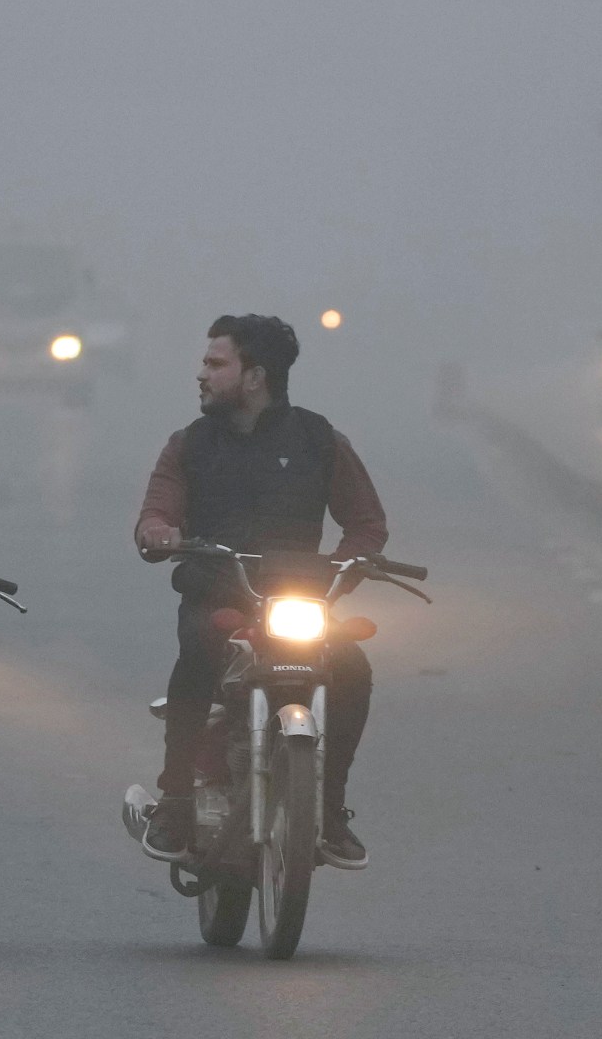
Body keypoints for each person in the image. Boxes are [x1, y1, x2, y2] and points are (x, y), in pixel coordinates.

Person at [134, 314, 389, 870]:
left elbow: (366, 523)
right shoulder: (189, 445)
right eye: (206, 362)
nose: (201, 374)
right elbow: (156, 512)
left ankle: (330, 808)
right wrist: (159, 533)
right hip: (217, 599)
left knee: (351, 669)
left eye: (215, 363)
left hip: (300, 606)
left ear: (255, 376)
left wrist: (351, 561)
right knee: (197, 656)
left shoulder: (321, 441)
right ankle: (176, 799)